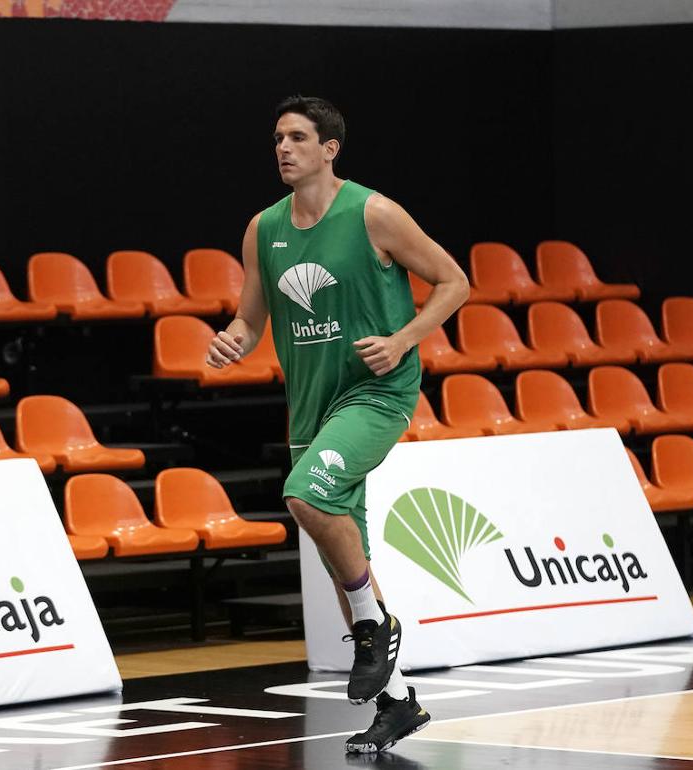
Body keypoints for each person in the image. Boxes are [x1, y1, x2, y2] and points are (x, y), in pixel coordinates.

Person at [206, 95, 469, 753]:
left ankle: (376, 631)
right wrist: (233, 339)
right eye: (276, 138)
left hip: (376, 394)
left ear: (330, 149)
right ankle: (398, 700)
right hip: (310, 404)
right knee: (336, 551)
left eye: (297, 137)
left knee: (305, 495)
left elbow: (453, 281)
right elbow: (252, 317)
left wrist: (404, 338)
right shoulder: (262, 228)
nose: (283, 148)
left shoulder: (373, 213)